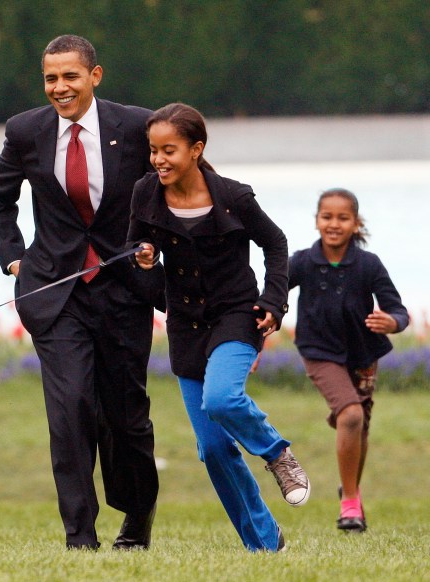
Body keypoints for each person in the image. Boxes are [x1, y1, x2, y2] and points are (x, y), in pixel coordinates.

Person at [0, 34, 165, 550]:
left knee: (125, 416)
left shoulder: (135, 125)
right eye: (50, 78)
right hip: (56, 294)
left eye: (70, 76)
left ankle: (136, 517)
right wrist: (15, 259)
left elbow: (173, 185)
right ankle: (79, 536)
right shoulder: (25, 131)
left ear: (95, 76)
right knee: (70, 411)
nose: (59, 88)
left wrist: (156, 246)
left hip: (123, 290)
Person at [127, 102, 310, 552]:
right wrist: (146, 260)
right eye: (153, 150)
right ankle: (266, 544)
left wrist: (274, 300)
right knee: (212, 449)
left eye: (169, 150)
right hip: (185, 325)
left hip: (235, 315)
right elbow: (135, 252)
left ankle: (276, 452)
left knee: (222, 398)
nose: (159, 160)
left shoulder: (234, 196)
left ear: (196, 149)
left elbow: (276, 244)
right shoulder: (145, 193)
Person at [289, 188, 409, 533]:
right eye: (327, 216)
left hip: (363, 353)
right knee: (351, 413)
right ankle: (351, 503)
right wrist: (259, 332)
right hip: (319, 351)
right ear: (316, 221)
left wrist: (393, 322)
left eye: (343, 217)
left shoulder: (368, 265)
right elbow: (273, 295)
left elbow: (397, 310)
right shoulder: (302, 262)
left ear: (356, 224)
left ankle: (349, 491)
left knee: (360, 425)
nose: (334, 223)